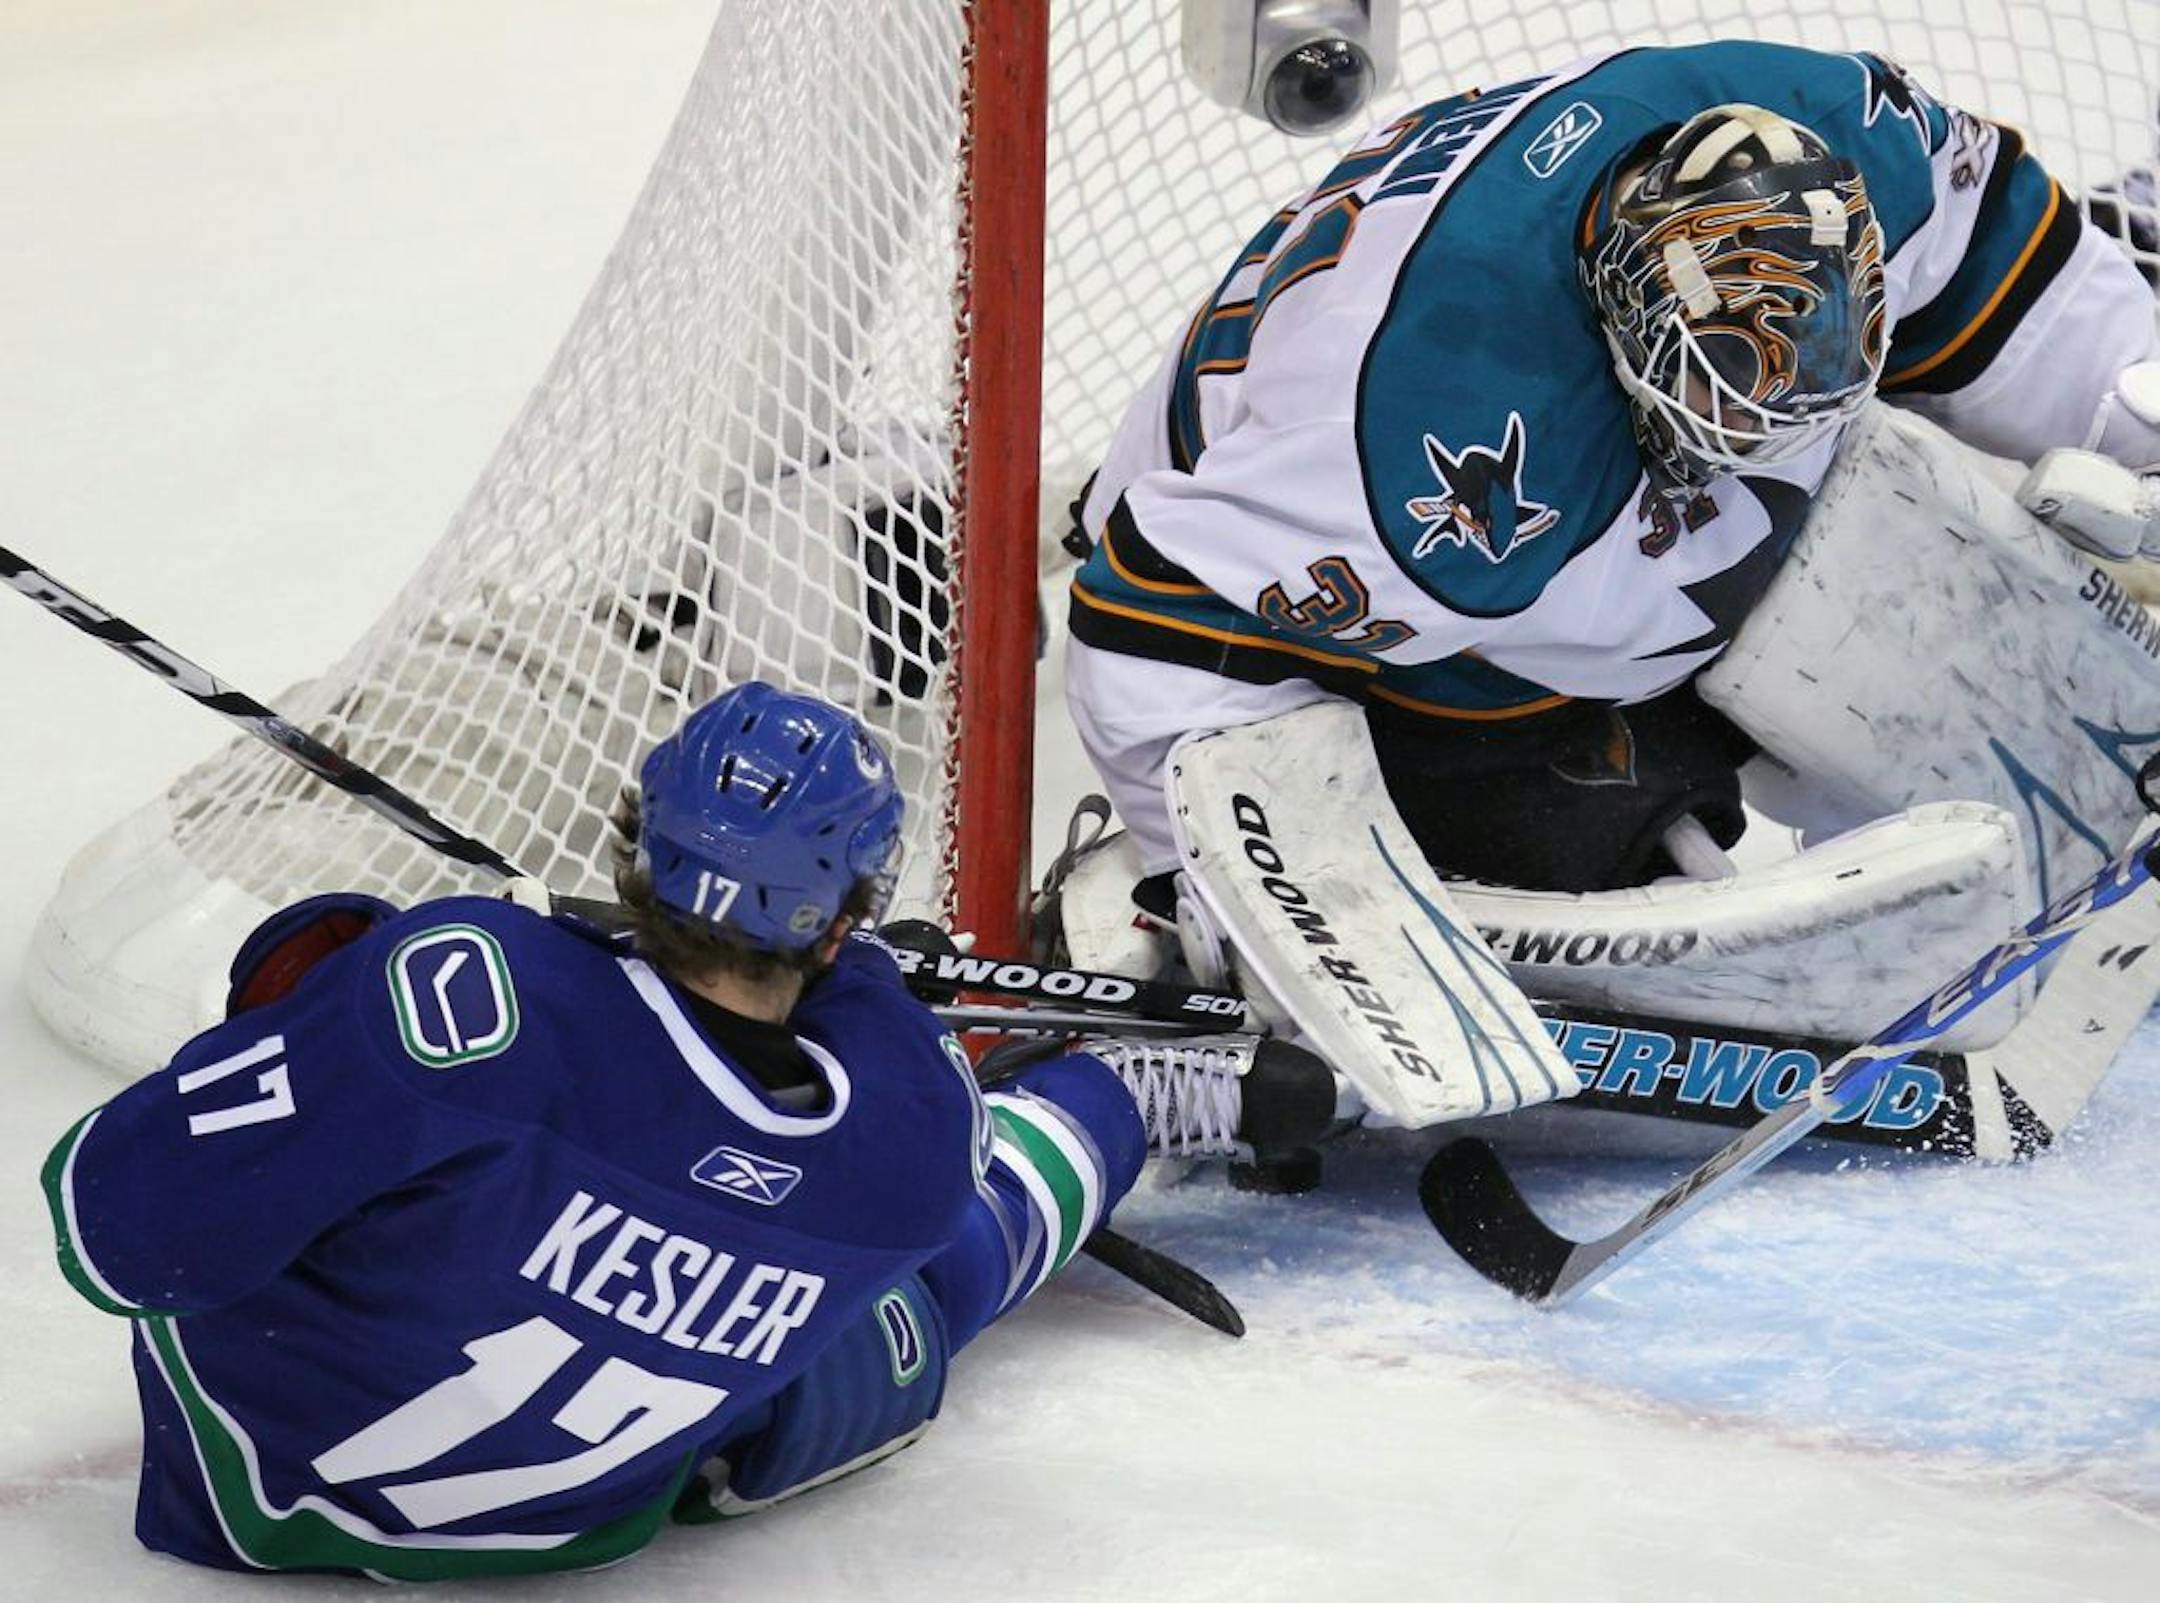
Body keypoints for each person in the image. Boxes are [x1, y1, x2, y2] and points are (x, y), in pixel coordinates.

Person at [39, 680, 1333, 1581]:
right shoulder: (910, 1128)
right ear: (838, 923)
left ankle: (1133, 1091)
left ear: (637, 843)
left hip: (243, 1462)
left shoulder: (465, 993)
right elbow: (863, 1046)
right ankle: (1131, 1095)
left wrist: (335, 990)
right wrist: (869, 981)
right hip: (571, 1522)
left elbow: (108, 1229)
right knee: (916, 1301)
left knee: (328, 975)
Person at [1065, 41, 2160, 899]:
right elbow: (1153, 626)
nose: (1766, 424)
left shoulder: (1862, 141)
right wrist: (1231, 892)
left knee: (1894, 515)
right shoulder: (1427, 437)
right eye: (1727, 373)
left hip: (1526, 483)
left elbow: (2027, 298)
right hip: (1336, 584)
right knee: (1597, 834)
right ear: (1626, 311)